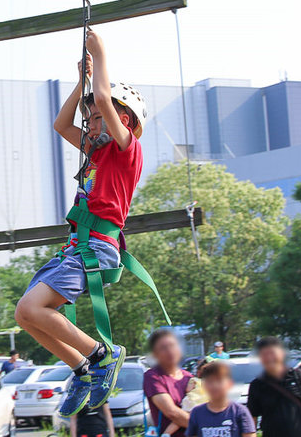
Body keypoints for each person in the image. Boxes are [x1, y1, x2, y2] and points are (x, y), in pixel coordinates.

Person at [15, 29, 146, 417]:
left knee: (38, 309)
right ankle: (82, 368)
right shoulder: (95, 154)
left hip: (98, 248)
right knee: (25, 313)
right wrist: (80, 84)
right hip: (76, 247)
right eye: (88, 119)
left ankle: (101, 354)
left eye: (94, 118)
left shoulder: (126, 152)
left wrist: (100, 54)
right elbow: (60, 124)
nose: (87, 124)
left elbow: (104, 99)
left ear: (121, 119)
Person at [246, 336, 301, 437]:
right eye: (264, 354)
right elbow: (252, 417)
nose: (269, 358)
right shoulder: (257, 385)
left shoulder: (298, 376)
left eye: (272, 353)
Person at [143, 329, 193, 437]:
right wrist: (204, 424)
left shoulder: (190, 377)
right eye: (163, 348)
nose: (170, 351)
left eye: (172, 345)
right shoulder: (153, 377)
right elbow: (172, 413)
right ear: (155, 354)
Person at [186, 361, 256, 437]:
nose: (215, 385)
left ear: (230, 384)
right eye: (210, 381)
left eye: (219, 380)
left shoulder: (240, 412)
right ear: (204, 385)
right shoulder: (197, 413)